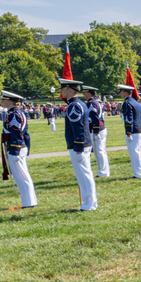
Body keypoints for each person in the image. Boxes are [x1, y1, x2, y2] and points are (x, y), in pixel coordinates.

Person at [60, 77, 98, 211]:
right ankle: (91, 203)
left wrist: (78, 146)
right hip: (82, 144)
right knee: (85, 174)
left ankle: (88, 204)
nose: (60, 91)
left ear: (70, 90)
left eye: (62, 89)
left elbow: (78, 128)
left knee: (84, 175)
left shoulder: (74, 105)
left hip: (79, 145)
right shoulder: (79, 104)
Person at [0, 90, 37, 210]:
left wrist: (15, 150)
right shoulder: (15, 113)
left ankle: (29, 203)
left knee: (22, 177)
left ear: (10, 101)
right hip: (19, 147)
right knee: (22, 176)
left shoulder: (14, 114)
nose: (1, 101)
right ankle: (28, 201)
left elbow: (17, 133)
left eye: (3, 99)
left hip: (16, 147)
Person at [119, 85, 141, 179]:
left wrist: (128, 132)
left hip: (133, 131)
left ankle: (138, 173)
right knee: (138, 152)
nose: (120, 93)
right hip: (139, 129)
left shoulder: (127, 103)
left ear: (125, 92)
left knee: (135, 152)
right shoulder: (136, 102)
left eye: (121, 91)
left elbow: (129, 119)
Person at [83, 86, 109, 178]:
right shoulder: (94, 102)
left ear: (89, 93)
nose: (83, 94)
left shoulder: (91, 103)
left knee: (98, 151)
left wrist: (96, 131)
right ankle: (105, 170)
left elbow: (94, 117)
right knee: (101, 150)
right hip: (100, 128)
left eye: (84, 92)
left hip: (97, 130)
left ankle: (102, 172)